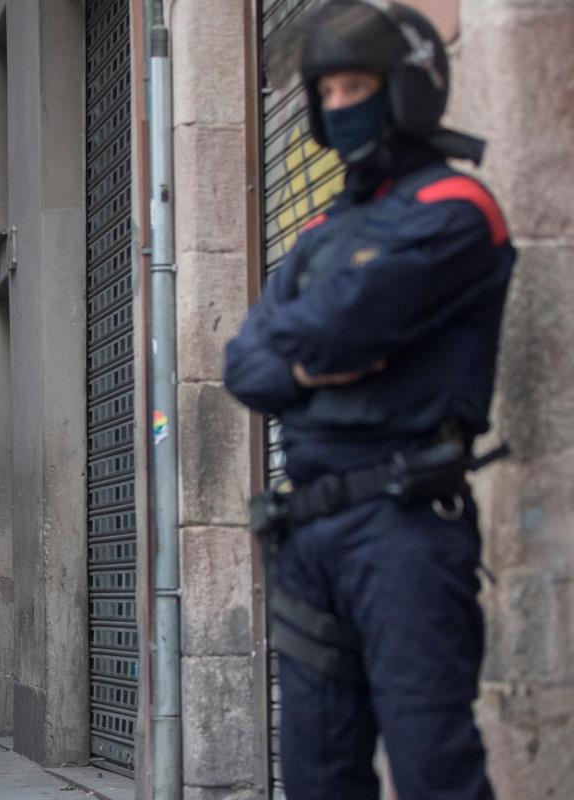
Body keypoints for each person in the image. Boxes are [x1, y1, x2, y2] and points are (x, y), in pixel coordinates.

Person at [224, 3, 514, 799]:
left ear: (405, 89)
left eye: (356, 86)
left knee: (433, 771)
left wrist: (305, 353)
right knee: (317, 779)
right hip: (307, 535)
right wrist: (317, 358)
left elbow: (339, 325)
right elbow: (246, 365)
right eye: (328, 92)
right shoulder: (322, 230)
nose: (339, 105)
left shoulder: (457, 208)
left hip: (404, 528)